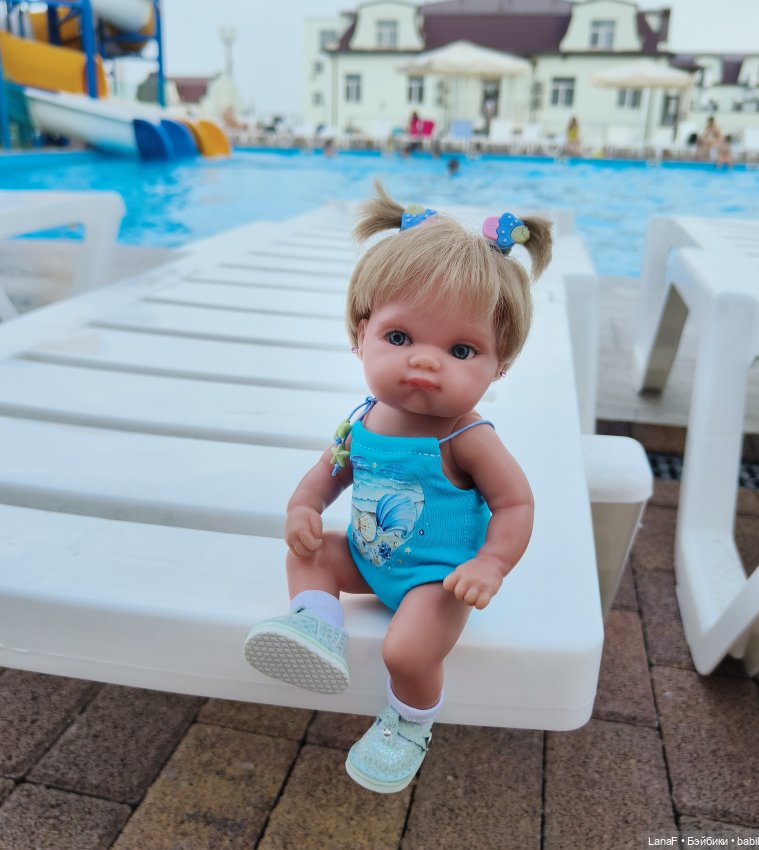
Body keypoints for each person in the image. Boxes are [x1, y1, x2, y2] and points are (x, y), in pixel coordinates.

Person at [243, 181, 552, 794]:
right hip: (368, 558)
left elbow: (515, 502)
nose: (425, 361)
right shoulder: (362, 419)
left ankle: (410, 722)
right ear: (361, 334)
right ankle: (318, 622)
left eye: (461, 349)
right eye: (400, 338)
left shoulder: (466, 436)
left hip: (437, 580)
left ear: (500, 365)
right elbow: (329, 471)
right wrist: (304, 506)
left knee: (407, 651)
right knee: (309, 552)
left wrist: (490, 563)